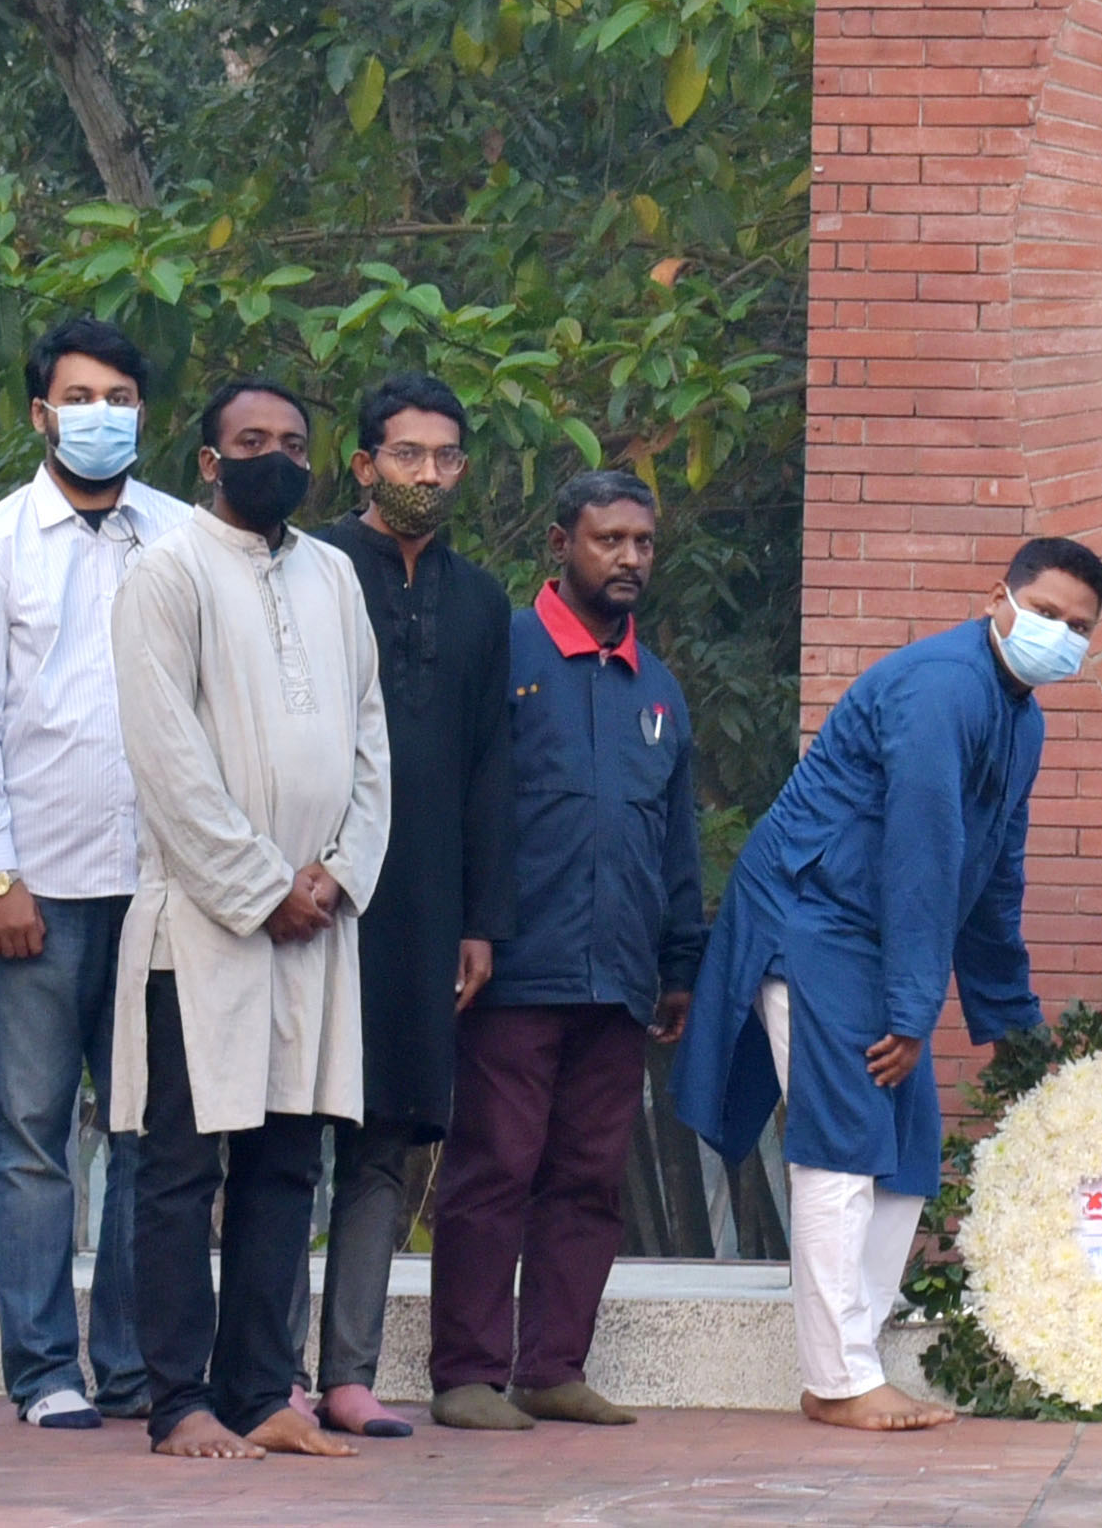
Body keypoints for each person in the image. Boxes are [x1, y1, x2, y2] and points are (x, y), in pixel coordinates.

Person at [674, 536, 1102, 1433]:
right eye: (1046, 612)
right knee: (840, 1145)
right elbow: (922, 850)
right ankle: (839, 1379)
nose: (1059, 634)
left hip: (877, 936)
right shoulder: (943, 687)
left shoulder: (1022, 719)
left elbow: (994, 871)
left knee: (907, 1153)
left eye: (1079, 627)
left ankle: (851, 1359)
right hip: (811, 917)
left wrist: (1008, 1017)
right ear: (998, 598)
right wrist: (914, 1014)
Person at [107, 380, 389, 1462]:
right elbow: (166, 757)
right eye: (252, 440)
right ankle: (179, 1401)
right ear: (209, 461)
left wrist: (339, 875)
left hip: (317, 926)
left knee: (285, 1166)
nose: (276, 457)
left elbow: (369, 739)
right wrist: (264, 886)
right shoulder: (167, 572)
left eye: (294, 443)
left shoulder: (332, 575)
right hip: (206, 923)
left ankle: (264, 1391)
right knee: (183, 1170)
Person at [0, 315, 190, 1429]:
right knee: (31, 1139)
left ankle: (130, 1366)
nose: (100, 417)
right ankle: (44, 1371)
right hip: (34, 891)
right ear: (40, 414)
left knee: (148, 1138)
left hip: (160, 892)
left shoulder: (183, 538)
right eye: (79, 399)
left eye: (119, 398)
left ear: (144, 414)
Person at [428, 471, 706, 1433]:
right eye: (607, 540)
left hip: (619, 977)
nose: (629, 558)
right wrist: (464, 929)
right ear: (560, 545)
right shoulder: (502, 653)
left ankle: (552, 1368)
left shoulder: (657, 688)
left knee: (589, 1180)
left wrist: (680, 964)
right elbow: (456, 802)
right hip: (513, 968)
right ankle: (466, 1375)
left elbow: (676, 842)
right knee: (493, 1168)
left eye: (643, 542)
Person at [306, 373, 515, 1438]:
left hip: (424, 902)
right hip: (308, 894)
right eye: (406, 455)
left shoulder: (481, 600)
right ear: (363, 463)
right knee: (285, 1132)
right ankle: (261, 1371)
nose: (426, 475)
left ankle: (348, 1376)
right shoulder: (309, 569)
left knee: (386, 1136)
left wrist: (478, 919)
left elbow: (489, 764)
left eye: (444, 458)